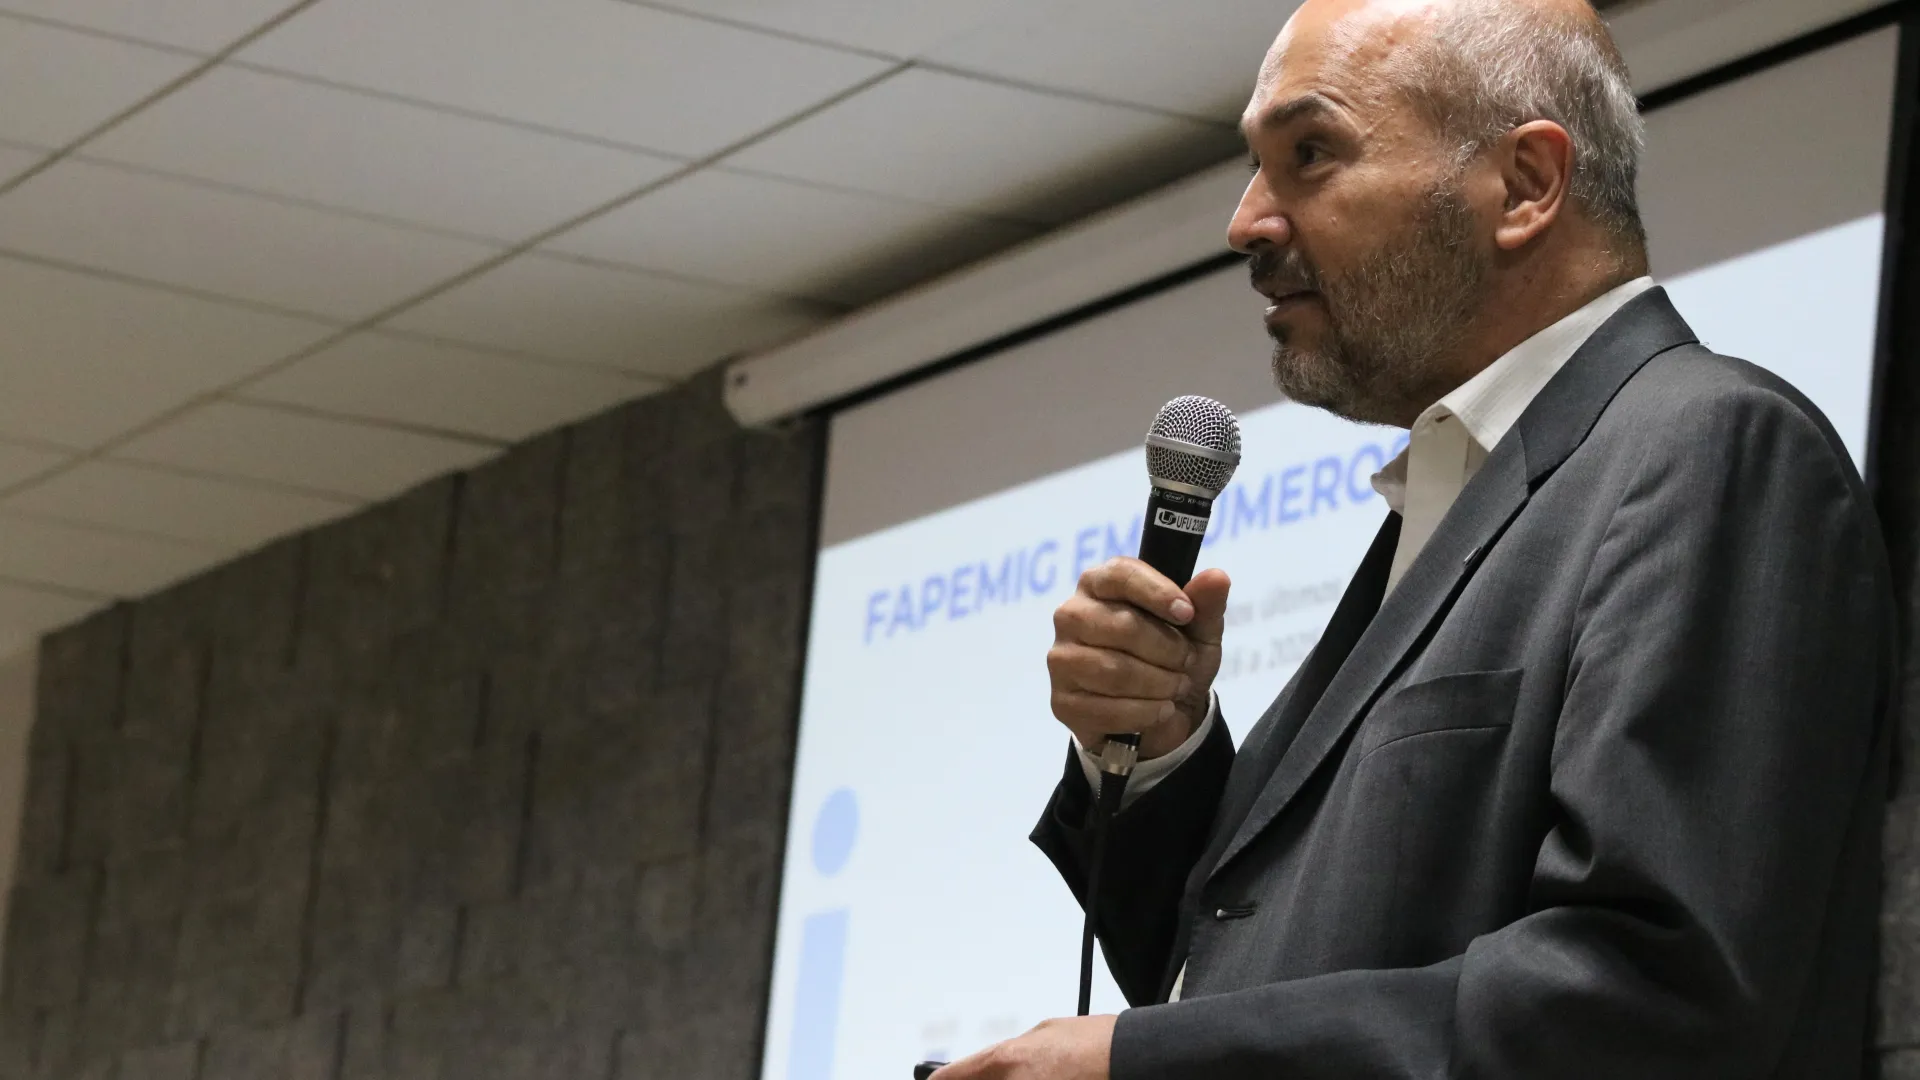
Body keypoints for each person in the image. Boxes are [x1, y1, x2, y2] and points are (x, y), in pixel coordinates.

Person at [932, 0, 1897, 1076]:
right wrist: (1163, 752)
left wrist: (1136, 1066)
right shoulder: (1455, 491)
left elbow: (1652, 1000)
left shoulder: (1709, 446)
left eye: (1309, 154)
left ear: (1525, 184)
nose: (1246, 222)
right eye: (1256, 168)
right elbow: (1232, 960)